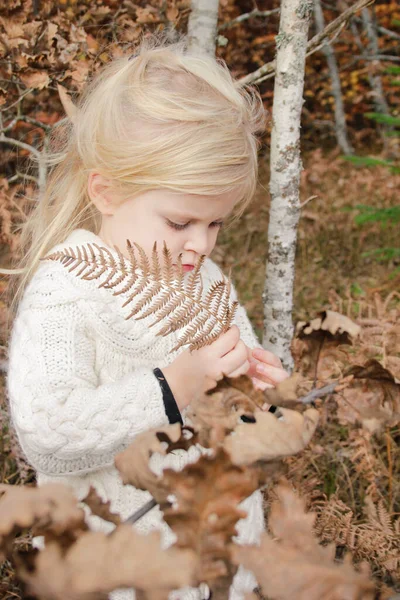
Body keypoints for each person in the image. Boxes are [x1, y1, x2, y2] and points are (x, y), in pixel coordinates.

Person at [6, 34, 289, 600]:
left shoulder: (203, 279)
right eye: (180, 222)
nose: (201, 245)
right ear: (107, 193)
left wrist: (256, 395)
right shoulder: (66, 291)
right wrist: (172, 386)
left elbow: (235, 413)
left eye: (216, 225)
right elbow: (47, 435)